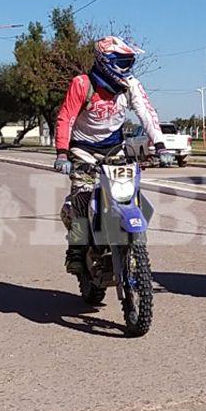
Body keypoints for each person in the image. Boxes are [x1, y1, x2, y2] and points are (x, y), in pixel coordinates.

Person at [54, 36, 168, 274]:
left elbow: (146, 112)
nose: (128, 69)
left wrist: (160, 145)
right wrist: (62, 153)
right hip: (82, 150)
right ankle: (76, 250)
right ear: (107, 62)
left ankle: (129, 243)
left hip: (114, 149)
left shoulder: (130, 85)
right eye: (123, 63)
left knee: (126, 194)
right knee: (82, 197)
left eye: (130, 63)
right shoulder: (82, 84)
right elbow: (66, 117)